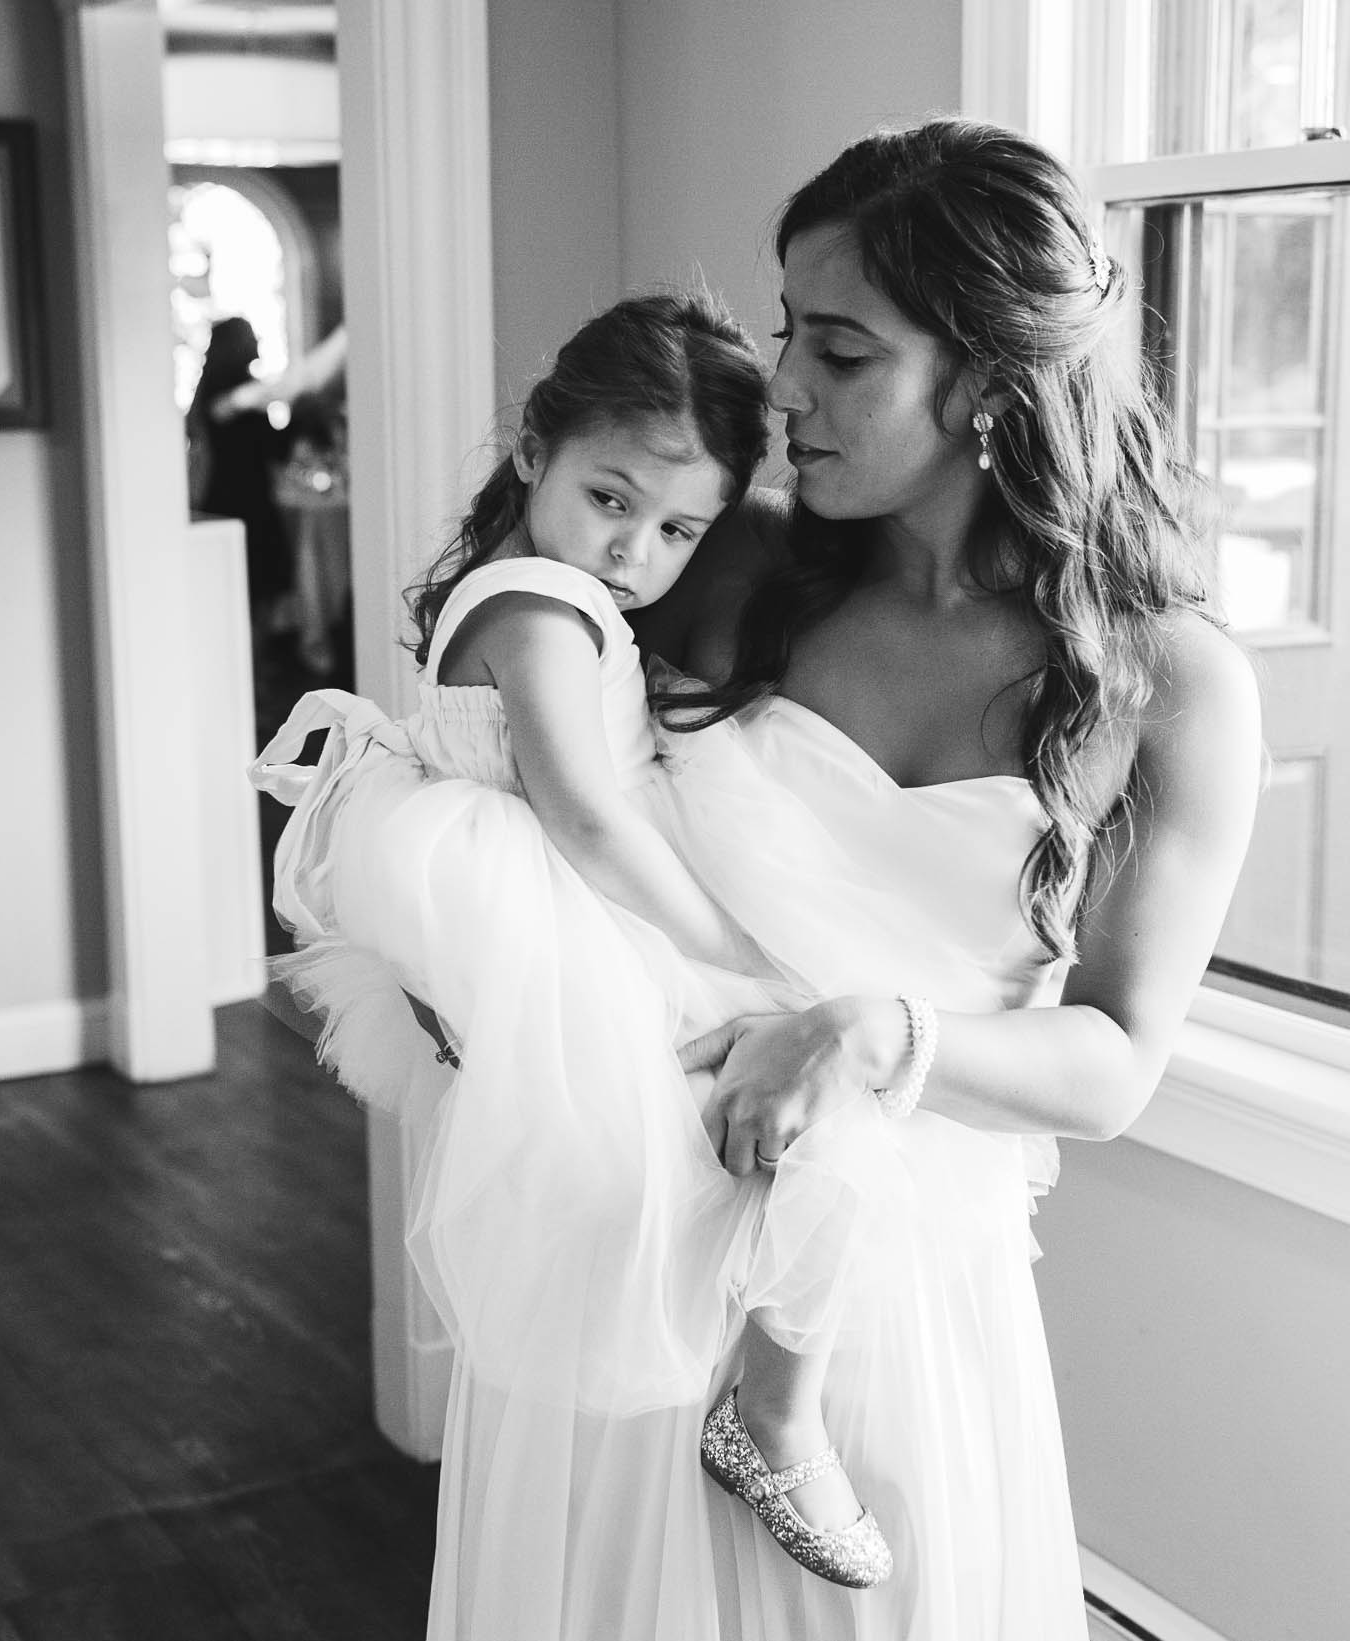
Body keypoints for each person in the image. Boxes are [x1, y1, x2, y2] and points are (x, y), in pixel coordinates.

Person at [621, 117, 1261, 1638]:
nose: (779, 389)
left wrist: (877, 1034)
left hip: (895, 1309)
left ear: (985, 380)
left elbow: (1111, 1065)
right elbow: (525, 742)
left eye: (837, 353)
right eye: (787, 336)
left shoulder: (1164, 683)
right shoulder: (730, 578)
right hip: (638, 1244)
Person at [250, 292, 925, 1596]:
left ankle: (763, 1412)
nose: (634, 550)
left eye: (679, 528)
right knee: (831, 1142)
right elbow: (585, 814)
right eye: (609, 498)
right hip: (575, 909)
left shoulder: (542, 582)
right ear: (531, 453)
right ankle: (772, 1425)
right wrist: (740, 950)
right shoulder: (534, 603)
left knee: (787, 1142)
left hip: (563, 906)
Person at [187, 316, 293, 612]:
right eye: (251, 336)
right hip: (249, 502)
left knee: (227, 591)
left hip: (216, 498)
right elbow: (275, 450)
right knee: (254, 590)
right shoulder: (241, 396)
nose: (257, 342)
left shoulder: (208, 391)